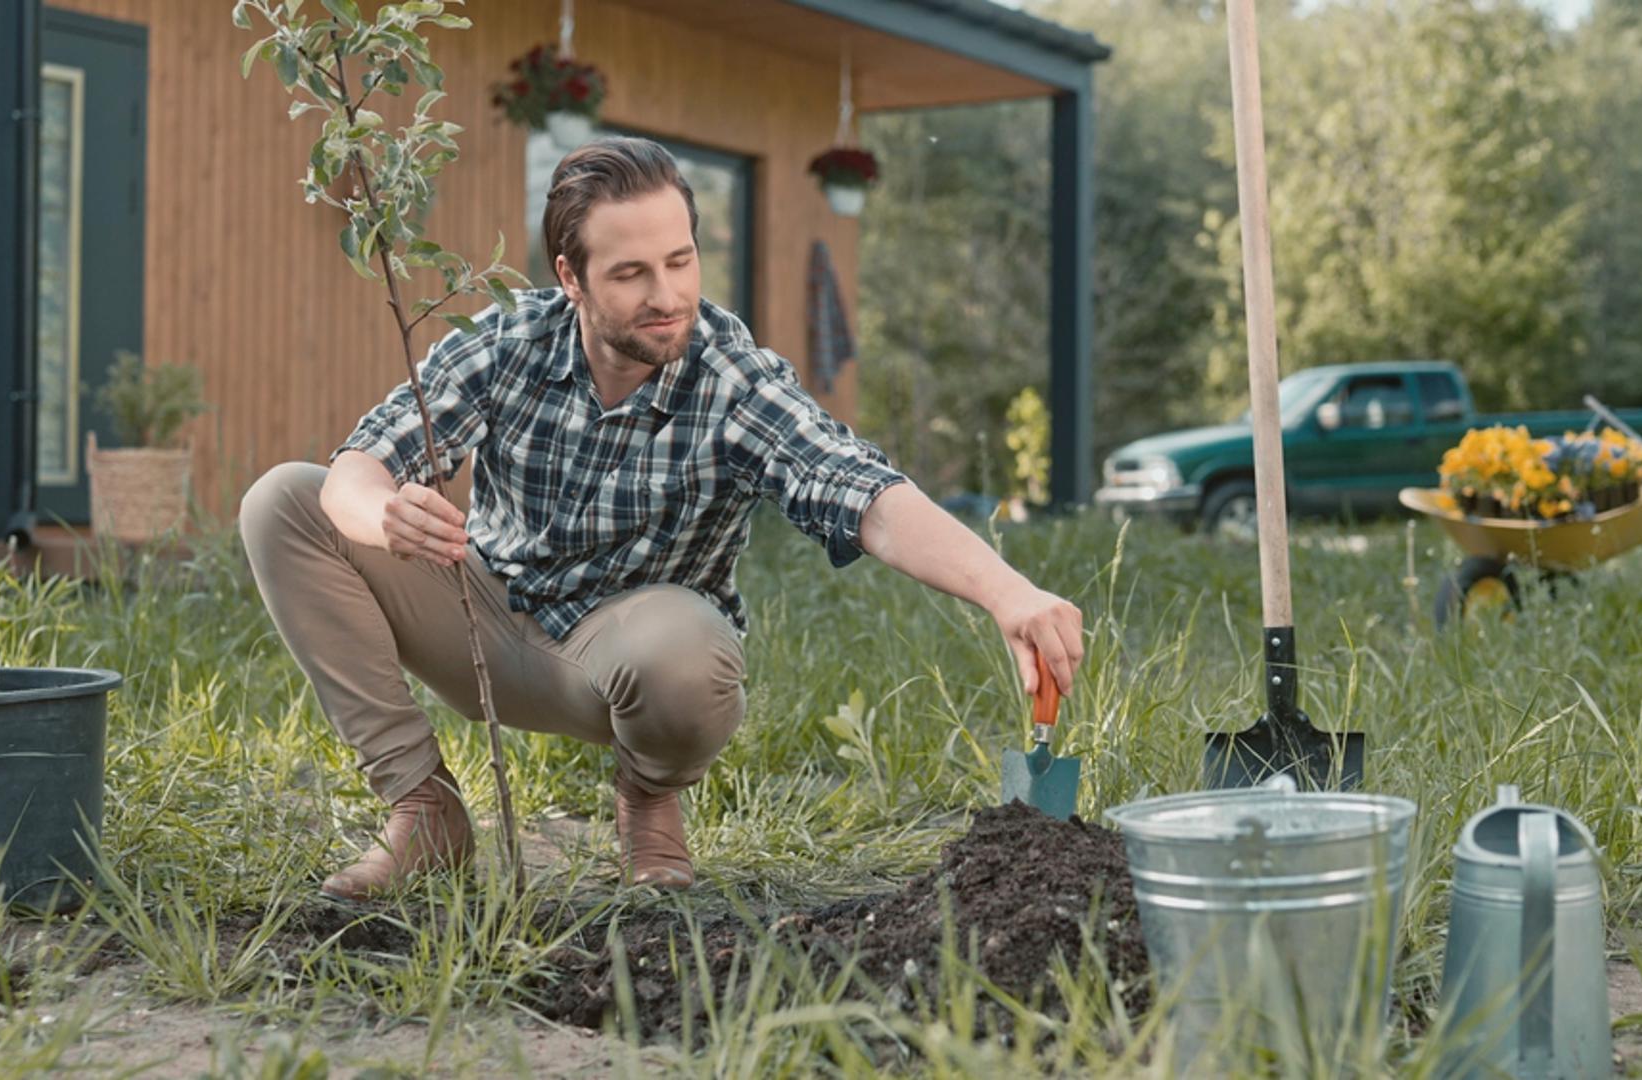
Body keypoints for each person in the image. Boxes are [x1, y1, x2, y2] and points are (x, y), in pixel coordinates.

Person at [238, 137, 1084, 900]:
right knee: (284, 498)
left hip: (629, 664)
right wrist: (382, 510)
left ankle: (647, 800)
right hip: (480, 619)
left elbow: (862, 492)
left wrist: (1007, 592)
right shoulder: (508, 341)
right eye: (631, 273)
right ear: (570, 278)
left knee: (689, 649)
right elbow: (356, 465)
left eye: (681, 262)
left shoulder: (731, 378)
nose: (667, 295)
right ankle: (424, 811)